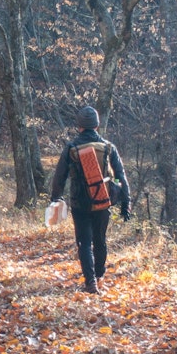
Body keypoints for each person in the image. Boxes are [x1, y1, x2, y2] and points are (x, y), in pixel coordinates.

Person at [50, 106, 131, 294]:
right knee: (100, 240)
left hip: (79, 203)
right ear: (97, 125)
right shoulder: (109, 147)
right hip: (103, 200)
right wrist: (125, 201)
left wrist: (56, 197)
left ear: (79, 127)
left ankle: (90, 281)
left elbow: (59, 176)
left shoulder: (71, 148)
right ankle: (100, 275)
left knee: (84, 242)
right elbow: (120, 176)